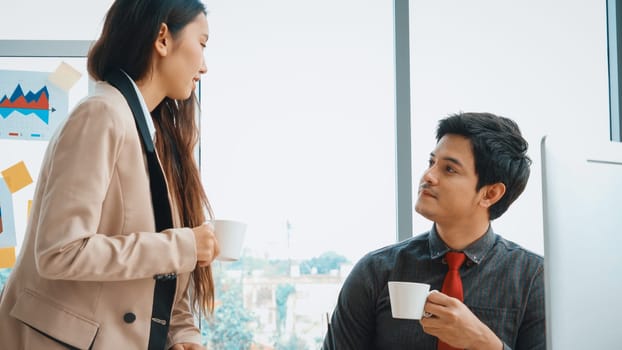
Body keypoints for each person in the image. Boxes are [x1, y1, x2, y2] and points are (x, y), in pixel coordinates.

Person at [0, 1, 220, 349]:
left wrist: (181, 334)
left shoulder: (152, 137)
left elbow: (157, 279)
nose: (205, 66)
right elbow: (61, 251)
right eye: (203, 43)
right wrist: (184, 245)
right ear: (163, 39)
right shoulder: (101, 114)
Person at [323, 112, 544, 350]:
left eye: (449, 169)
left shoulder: (533, 278)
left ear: (490, 194)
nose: (428, 176)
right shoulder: (376, 271)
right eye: (431, 163)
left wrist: (484, 343)